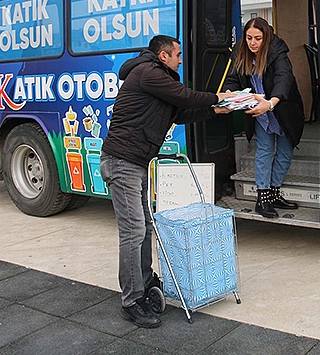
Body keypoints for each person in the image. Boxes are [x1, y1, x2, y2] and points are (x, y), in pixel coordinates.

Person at [100, 35, 235, 328]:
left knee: (145, 227)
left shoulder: (157, 78)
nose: (181, 59)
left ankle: (146, 283)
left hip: (136, 161)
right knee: (133, 232)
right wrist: (218, 96)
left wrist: (215, 109)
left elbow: (182, 111)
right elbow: (186, 97)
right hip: (121, 162)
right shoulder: (149, 73)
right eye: (177, 54)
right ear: (163, 55)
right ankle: (131, 301)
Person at [223, 17, 305, 218]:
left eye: (257, 38)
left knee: (285, 153)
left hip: (282, 109)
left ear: (266, 37)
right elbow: (232, 79)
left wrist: (270, 102)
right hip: (259, 112)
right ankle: (262, 197)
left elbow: (284, 77)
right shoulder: (240, 52)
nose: (252, 43)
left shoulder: (278, 51)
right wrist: (229, 93)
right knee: (265, 152)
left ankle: (274, 192)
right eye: (249, 38)